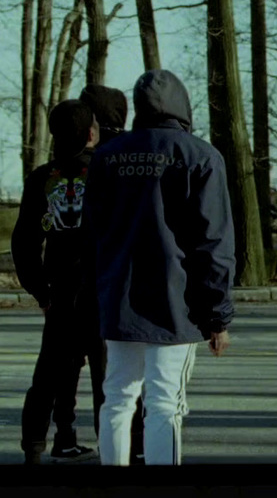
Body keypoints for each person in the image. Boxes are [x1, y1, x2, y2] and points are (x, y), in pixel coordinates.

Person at [87, 69, 236, 466]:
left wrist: (96, 298)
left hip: (118, 295)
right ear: (181, 104)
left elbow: (92, 235)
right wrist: (217, 317)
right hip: (177, 303)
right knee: (164, 402)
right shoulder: (200, 156)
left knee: (116, 396)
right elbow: (213, 243)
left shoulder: (106, 157)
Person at [12, 99, 102, 464]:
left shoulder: (41, 178)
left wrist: (38, 289)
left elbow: (24, 241)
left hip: (60, 290)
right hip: (100, 289)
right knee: (107, 375)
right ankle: (116, 446)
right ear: (92, 133)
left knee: (51, 370)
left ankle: (39, 443)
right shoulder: (106, 173)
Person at [76, 82, 145, 464]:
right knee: (144, 374)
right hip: (142, 276)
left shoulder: (97, 162)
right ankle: (141, 444)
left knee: (110, 380)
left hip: (100, 281)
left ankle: (114, 449)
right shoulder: (141, 153)